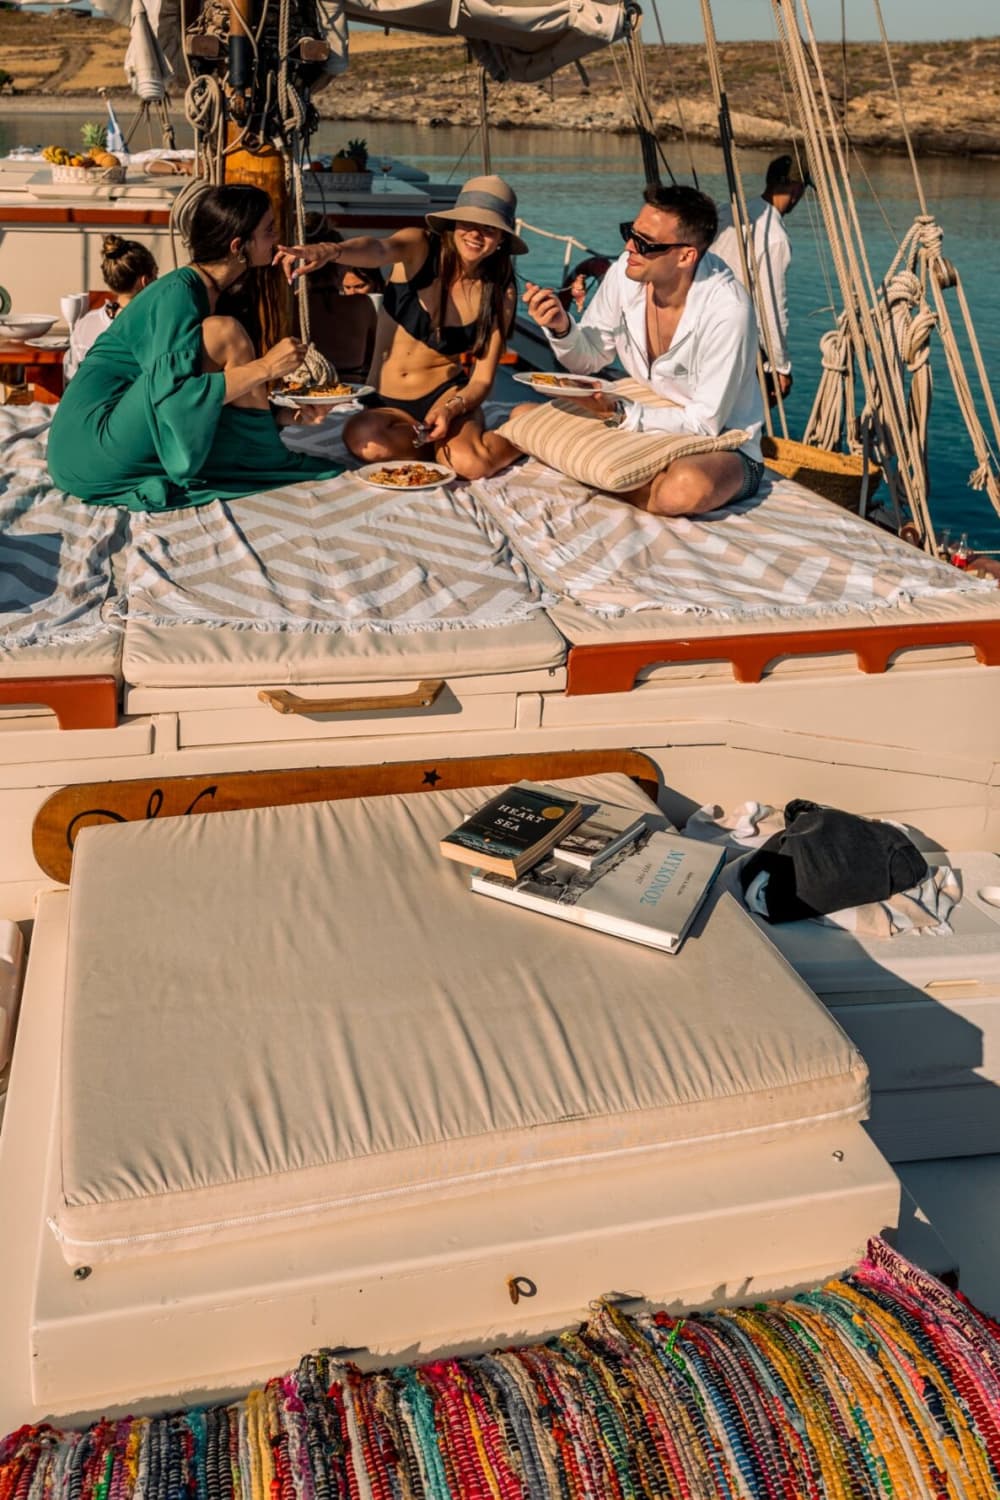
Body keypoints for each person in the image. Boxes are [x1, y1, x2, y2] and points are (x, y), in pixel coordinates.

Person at [48, 185, 342, 511]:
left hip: (100, 441)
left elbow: (190, 391)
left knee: (223, 334)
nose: (277, 238)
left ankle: (261, 449)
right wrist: (267, 367)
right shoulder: (178, 293)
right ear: (237, 246)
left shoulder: (208, 291)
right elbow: (174, 396)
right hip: (91, 445)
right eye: (269, 229)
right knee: (223, 332)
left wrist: (282, 415)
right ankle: (264, 457)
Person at [521, 184, 764, 517]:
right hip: (651, 415)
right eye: (629, 233)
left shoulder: (727, 310)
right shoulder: (625, 273)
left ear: (686, 256)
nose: (629, 247)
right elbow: (589, 359)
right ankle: (619, 480)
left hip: (722, 440)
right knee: (522, 418)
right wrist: (561, 327)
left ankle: (597, 477)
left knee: (682, 489)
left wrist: (620, 413)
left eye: (645, 243)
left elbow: (705, 422)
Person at [273, 174, 525, 480]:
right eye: (469, 222)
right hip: (386, 402)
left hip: (447, 394)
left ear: (501, 239)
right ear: (454, 222)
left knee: (471, 466)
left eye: (489, 228)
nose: (476, 234)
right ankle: (444, 448)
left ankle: (523, 428)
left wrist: (452, 409)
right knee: (364, 441)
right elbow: (378, 249)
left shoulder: (499, 291)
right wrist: (331, 250)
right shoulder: (420, 247)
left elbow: (482, 379)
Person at [711, 154, 808, 403]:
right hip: (735, 342)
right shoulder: (775, 237)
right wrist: (780, 365)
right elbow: (771, 307)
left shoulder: (727, 211)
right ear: (797, 189)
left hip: (705, 329)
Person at [64, 236, 158, 382]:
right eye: (156, 275)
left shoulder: (85, 324)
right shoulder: (154, 327)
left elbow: (71, 376)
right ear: (145, 281)